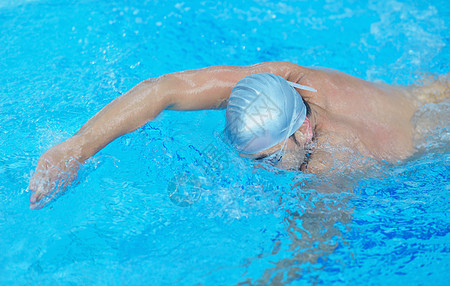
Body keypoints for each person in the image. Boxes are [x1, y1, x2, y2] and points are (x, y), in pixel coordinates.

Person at [28, 61, 448, 209]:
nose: (257, 169)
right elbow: (164, 89)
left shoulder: (334, 167)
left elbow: (309, 257)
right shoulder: (286, 79)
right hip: (425, 90)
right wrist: (73, 149)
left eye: (266, 159)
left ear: (304, 130)